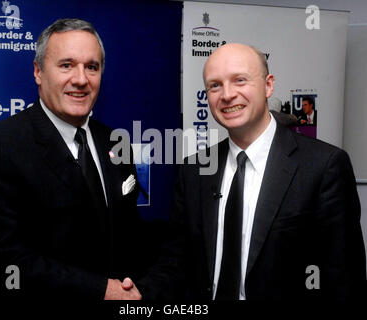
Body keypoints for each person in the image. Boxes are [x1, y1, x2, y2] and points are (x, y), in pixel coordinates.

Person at [139, 43, 366, 300]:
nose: (227, 95)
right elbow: (176, 259)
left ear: (268, 85)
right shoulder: (194, 170)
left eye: (240, 80)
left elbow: (344, 278)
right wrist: (136, 298)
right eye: (215, 85)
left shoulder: (323, 166)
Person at [0, 18, 143, 300]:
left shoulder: (115, 141)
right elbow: (3, 262)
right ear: (38, 71)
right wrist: (101, 291)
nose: (81, 79)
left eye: (91, 67)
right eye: (66, 65)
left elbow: (128, 233)